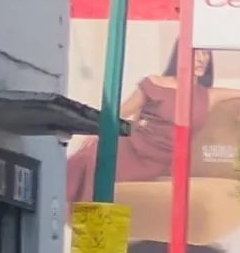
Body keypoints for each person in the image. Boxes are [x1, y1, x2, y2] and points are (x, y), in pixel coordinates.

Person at [66, 40, 214, 204]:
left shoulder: (207, 94)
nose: (202, 59)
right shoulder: (155, 83)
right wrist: (97, 130)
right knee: (85, 158)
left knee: (98, 163)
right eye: (196, 53)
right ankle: (58, 215)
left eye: (206, 53)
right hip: (133, 142)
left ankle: (93, 220)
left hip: (155, 156)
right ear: (180, 55)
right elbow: (121, 112)